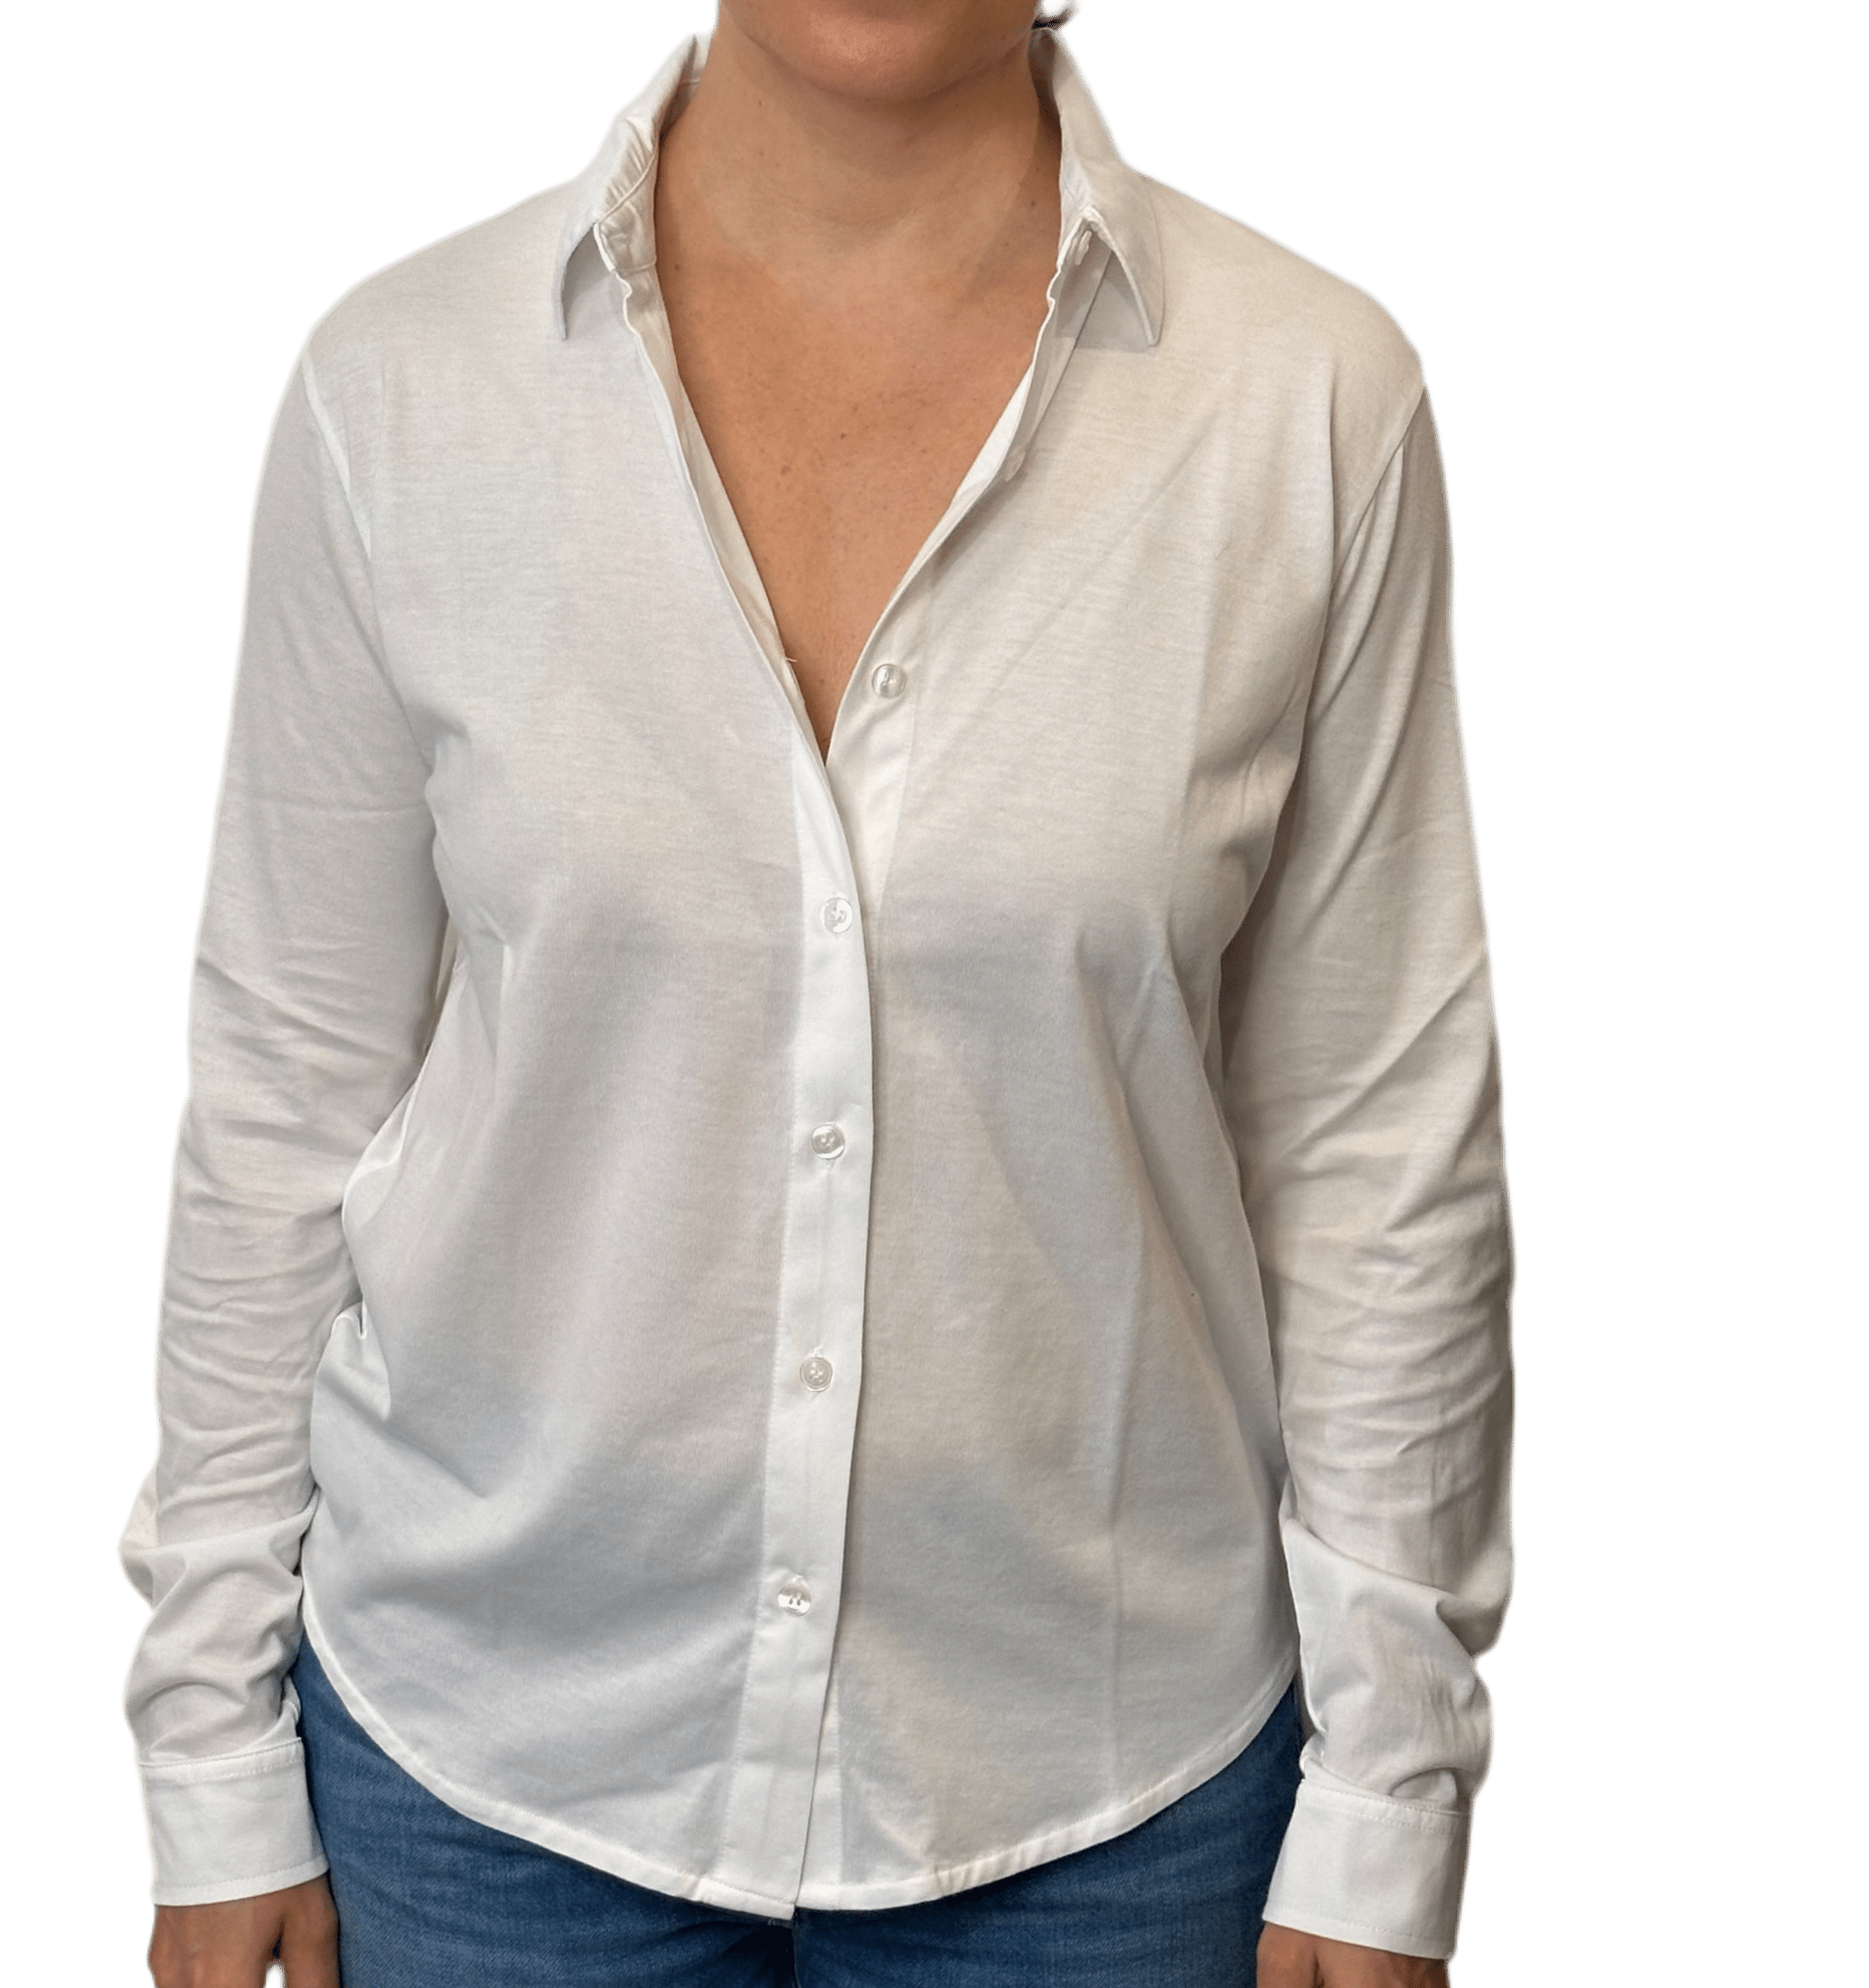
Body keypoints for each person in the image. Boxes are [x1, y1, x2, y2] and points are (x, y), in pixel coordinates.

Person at [119, 3, 1517, 1983]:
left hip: (1103, 1788)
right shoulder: (401, 384)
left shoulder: (1311, 398)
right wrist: (210, 1742)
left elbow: (1377, 1144)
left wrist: (1388, 1794)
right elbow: (283, 1094)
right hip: (483, 1769)